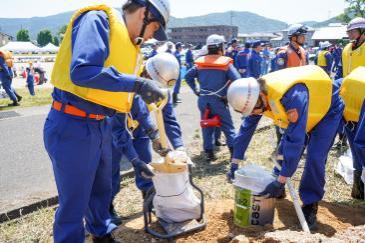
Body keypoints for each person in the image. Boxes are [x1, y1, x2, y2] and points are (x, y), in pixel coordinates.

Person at [43, 1, 171, 242]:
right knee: (74, 202)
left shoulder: (131, 49)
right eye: (154, 28)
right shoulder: (98, 20)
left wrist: (142, 150)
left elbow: (125, 103)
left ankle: (101, 233)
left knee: (101, 191)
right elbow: (82, 71)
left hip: (101, 124)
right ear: (144, 14)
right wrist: (139, 83)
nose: (152, 35)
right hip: (72, 122)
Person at [227, 65, 344, 229]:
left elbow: (296, 140)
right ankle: (277, 182)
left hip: (326, 111)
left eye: (254, 110)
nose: (254, 114)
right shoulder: (255, 97)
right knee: (283, 151)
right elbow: (246, 130)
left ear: (260, 96)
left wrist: (281, 180)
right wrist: (234, 162)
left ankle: (310, 203)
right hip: (307, 110)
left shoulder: (291, 95)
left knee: (315, 158)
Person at [109, 52, 183, 223]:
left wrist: (179, 148)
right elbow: (137, 111)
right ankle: (106, 207)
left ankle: (150, 200)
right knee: (110, 170)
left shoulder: (162, 89)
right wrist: (153, 134)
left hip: (139, 129)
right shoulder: (129, 78)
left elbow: (169, 119)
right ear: (148, 75)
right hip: (115, 125)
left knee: (146, 165)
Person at [185, 34, 240, 161]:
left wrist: (196, 90)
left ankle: (209, 153)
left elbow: (188, 76)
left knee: (206, 125)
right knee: (228, 126)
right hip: (219, 101)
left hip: (203, 100)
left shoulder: (200, 63)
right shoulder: (225, 63)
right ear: (220, 46)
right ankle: (234, 154)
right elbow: (237, 80)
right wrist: (228, 94)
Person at [340, 67, 365, 200]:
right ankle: (359, 188)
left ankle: (358, 191)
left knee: (356, 150)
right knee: (358, 148)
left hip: (348, 112)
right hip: (351, 111)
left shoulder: (352, 77)